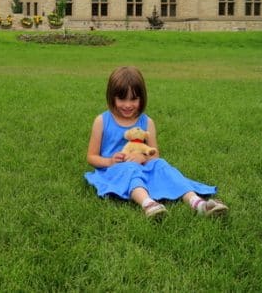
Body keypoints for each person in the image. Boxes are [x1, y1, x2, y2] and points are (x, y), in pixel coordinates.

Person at [85, 66, 228, 219]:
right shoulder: (102, 121)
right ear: (112, 97)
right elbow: (91, 157)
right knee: (130, 169)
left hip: (143, 166)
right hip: (116, 171)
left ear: (142, 98)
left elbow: (155, 155)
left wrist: (143, 158)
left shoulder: (147, 122)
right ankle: (148, 204)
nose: (127, 105)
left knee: (162, 165)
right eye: (122, 99)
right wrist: (110, 161)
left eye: (133, 99)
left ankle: (198, 203)